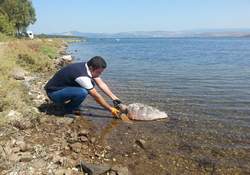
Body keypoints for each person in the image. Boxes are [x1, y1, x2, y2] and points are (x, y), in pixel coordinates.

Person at [44, 56, 122, 117]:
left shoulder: (87, 67)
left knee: (90, 85)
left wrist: (114, 98)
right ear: (91, 68)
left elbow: (101, 84)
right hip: (54, 93)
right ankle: (66, 111)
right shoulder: (82, 76)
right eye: (99, 72)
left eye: (101, 72)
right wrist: (110, 109)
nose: (100, 74)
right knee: (83, 92)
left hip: (62, 88)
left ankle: (72, 105)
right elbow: (96, 96)